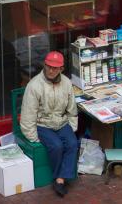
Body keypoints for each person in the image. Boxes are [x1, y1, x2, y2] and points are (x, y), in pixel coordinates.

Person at [20, 51, 78, 197]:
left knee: (72, 143)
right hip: (42, 124)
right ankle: (59, 178)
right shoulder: (34, 86)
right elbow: (28, 116)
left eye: (55, 68)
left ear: (61, 69)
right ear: (45, 66)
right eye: (49, 67)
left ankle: (60, 178)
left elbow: (72, 109)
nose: (51, 70)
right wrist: (33, 137)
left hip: (61, 122)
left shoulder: (66, 83)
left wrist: (72, 127)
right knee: (56, 146)